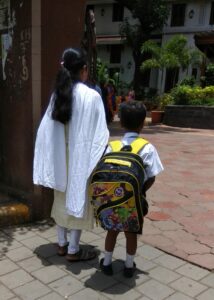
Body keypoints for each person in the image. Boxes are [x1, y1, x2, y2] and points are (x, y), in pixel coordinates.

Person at [33, 48, 109, 262]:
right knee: (79, 200)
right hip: (81, 159)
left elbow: (45, 130)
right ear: (83, 70)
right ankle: (74, 250)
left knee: (61, 199)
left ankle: (61, 244)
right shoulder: (92, 96)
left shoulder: (58, 95)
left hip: (60, 158)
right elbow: (100, 133)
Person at [100, 100, 163, 277]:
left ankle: (106, 263)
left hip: (110, 200)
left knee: (112, 231)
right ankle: (128, 266)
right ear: (143, 123)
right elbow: (152, 176)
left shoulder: (112, 146)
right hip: (132, 202)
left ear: (121, 122)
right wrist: (140, 191)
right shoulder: (147, 148)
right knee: (131, 234)